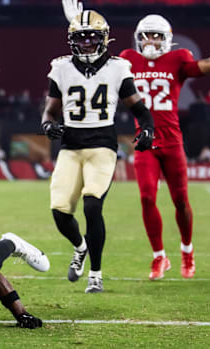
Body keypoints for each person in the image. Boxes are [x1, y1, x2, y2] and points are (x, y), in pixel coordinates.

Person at [62, 1, 210, 280]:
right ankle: (159, 257)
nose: (151, 40)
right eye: (147, 35)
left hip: (172, 142)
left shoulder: (178, 58)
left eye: (157, 35)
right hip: (146, 142)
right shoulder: (128, 59)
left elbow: (206, 66)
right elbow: (96, 59)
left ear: (167, 39)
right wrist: (79, 24)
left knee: (181, 200)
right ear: (138, 38)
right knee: (147, 198)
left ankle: (187, 251)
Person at [41, 10, 154, 293]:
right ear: (72, 40)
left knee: (92, 204)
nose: (88, 43)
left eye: (92, 37)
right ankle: (80, 247)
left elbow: (139, 108)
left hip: (103, 145)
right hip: (70, 146)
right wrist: (48, 126)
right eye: (81, 38)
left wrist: (147, 129)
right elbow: (50, 111)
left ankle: (95, 273)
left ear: (104, 39)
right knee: (59, 211)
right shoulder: (61, 68)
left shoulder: (118, 67)